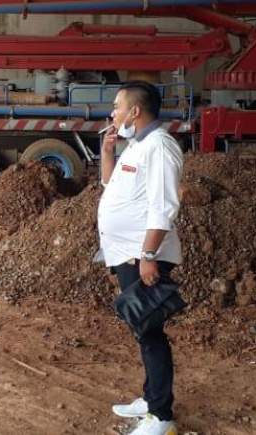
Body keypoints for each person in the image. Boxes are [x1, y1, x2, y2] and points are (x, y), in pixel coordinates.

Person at [98, 81, 183, 435]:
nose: (113, 114)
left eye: (117, 107)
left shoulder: (159, 147)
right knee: (142, 328)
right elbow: (111, 187)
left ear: (135, 111)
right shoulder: (137, 145)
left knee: (149, 332)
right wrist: (107, 153)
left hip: (142, 255)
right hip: (128, 253)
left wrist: (148, 255)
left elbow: (164, 206)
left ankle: (161, 416)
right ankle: (151, 399)